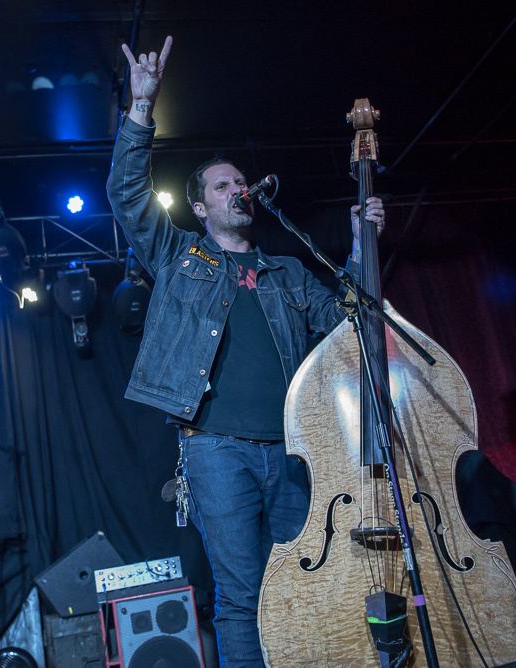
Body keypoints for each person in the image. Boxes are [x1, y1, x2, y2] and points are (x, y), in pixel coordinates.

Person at [106, 36, 386, 666]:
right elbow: (126, 197)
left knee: (300, 584)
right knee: (242, 594)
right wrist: (140, 110)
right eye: (224, 184)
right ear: (201, 206)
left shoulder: (287, 271)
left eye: (242, 181)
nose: (240, 188)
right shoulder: (181, 257)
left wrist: (362, 244)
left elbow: (351, 318)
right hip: (215, 451)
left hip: (290, 450)